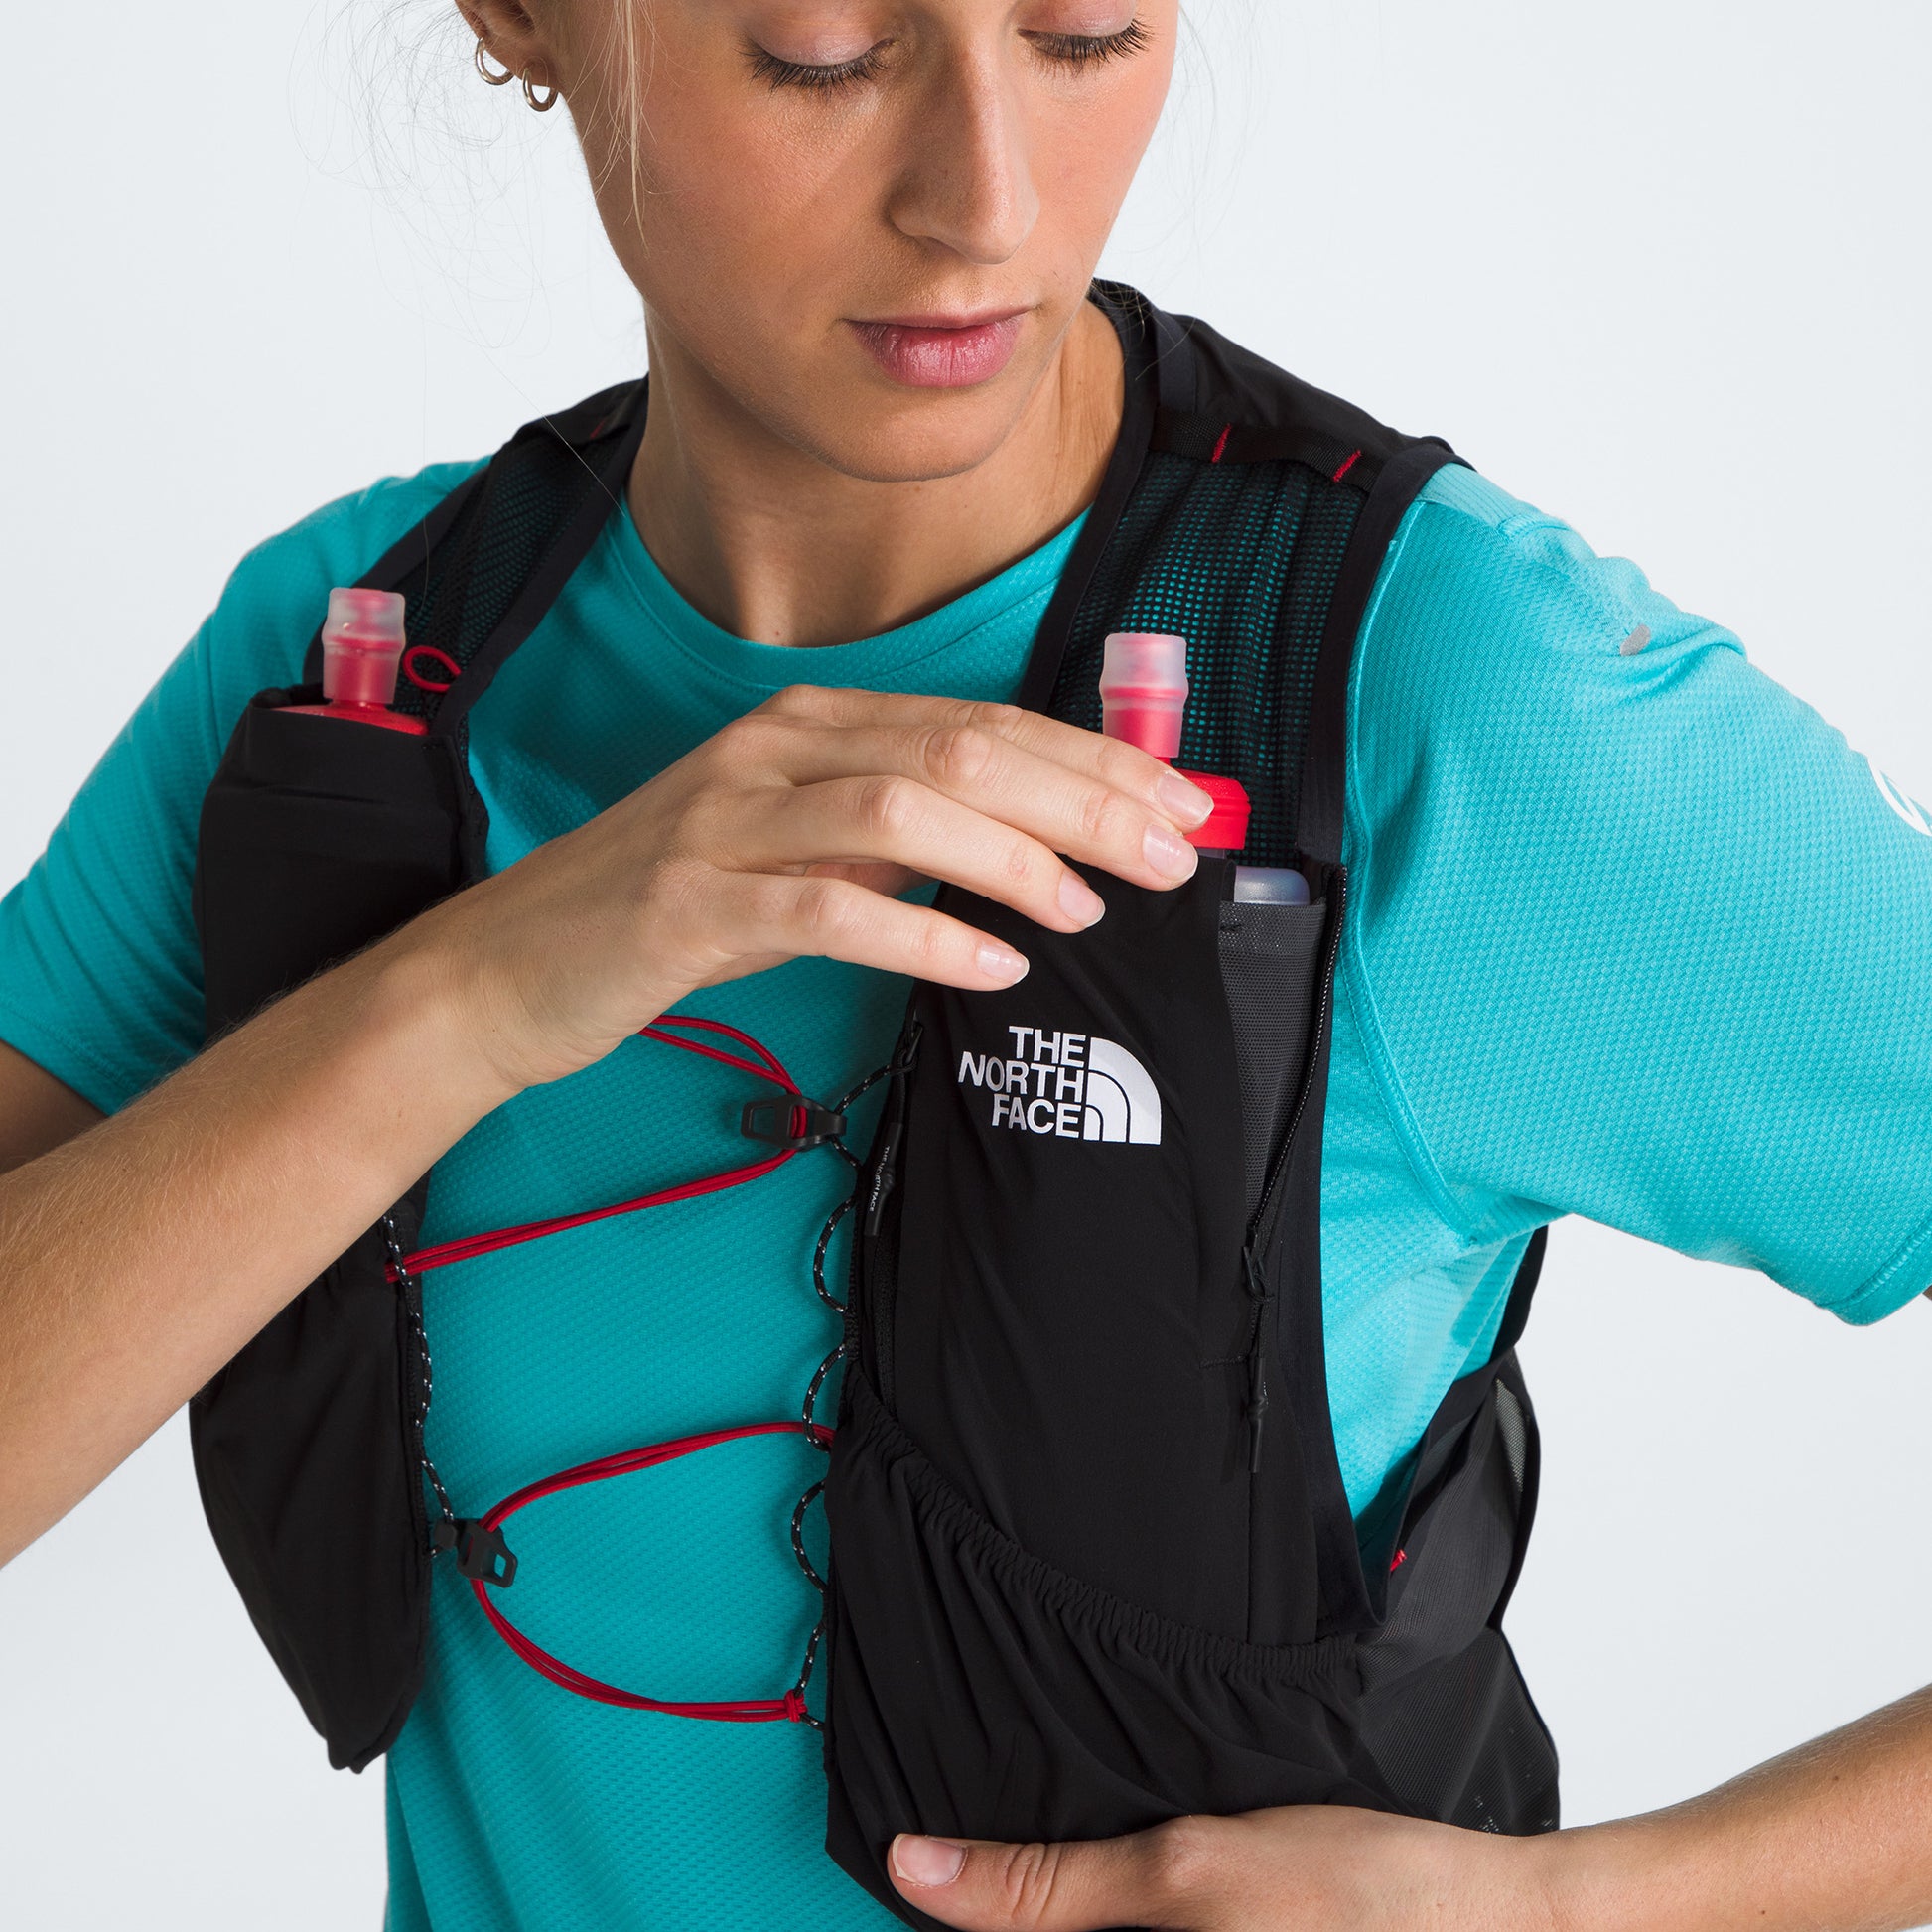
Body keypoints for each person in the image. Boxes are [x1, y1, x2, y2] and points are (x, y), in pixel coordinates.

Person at [4, 1, 1932, 1927]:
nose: (988, 203)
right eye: (824, 55)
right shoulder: (361, 666)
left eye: (1085, 34)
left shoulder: (1449, 698)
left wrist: (1592, 1909)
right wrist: (459, 1000)